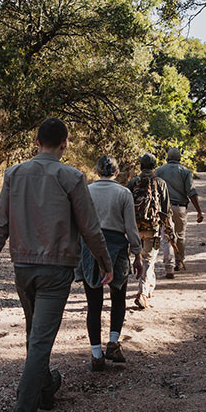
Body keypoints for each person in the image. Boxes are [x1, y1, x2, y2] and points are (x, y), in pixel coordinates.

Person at [0, 117, 113, 412]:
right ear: (64, 143)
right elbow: (90, 228)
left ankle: (44, 388)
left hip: (23, 267)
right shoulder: (71, 177)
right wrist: (105, 262)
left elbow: (0, 223)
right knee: (39, 342)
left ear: (36, 140)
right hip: (56, 269)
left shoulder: (13, 174)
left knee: (33, 334)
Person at [76, 155, 144, 372]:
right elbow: (131, 228)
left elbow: (78, 223)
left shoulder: (86, 191)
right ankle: (113, 342)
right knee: (118, 299)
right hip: (116, 248)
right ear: (117, 172)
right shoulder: (123, 193)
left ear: (97, 172)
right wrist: (138, 255)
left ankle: (96, 355)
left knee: (93, 304)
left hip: (90, 248)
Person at [127, 153, 172, 309]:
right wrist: (169, 230)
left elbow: (126, 205)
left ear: (141, 166)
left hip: (135, 227)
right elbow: (166, 210)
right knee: (148, 260)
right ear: (155, 166)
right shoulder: (160, 183)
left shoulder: (133, 182)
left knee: (140, 258)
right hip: (152, 228)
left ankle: (148, 288)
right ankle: (142, 293)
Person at [155, 147, 204, 278]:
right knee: (180, 235)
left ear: (167, 158)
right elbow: (191, 192)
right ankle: (179, 262)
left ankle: (169, 266)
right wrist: (199, 211)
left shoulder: (159, 171)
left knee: (167, 236)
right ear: (180, 159)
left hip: (163, 209)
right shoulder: (185, 171)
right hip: (180, 207)